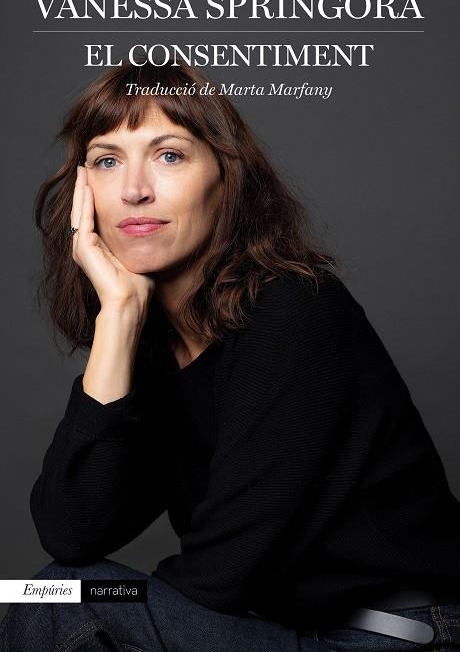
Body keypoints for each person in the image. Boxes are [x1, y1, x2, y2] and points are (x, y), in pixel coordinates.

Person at [1, 60, 459, 652]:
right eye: (108, 160)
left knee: (63, 599)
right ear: (83, 192)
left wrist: (102, 603)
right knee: (46, 592)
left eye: (169, 155)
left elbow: (224, 571)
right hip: (283, 632)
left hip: (400, 636)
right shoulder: (158, 351)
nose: (134, 190)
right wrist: (118, 319)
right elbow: (71, 532)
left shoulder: (294, 309)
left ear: (226, 177)